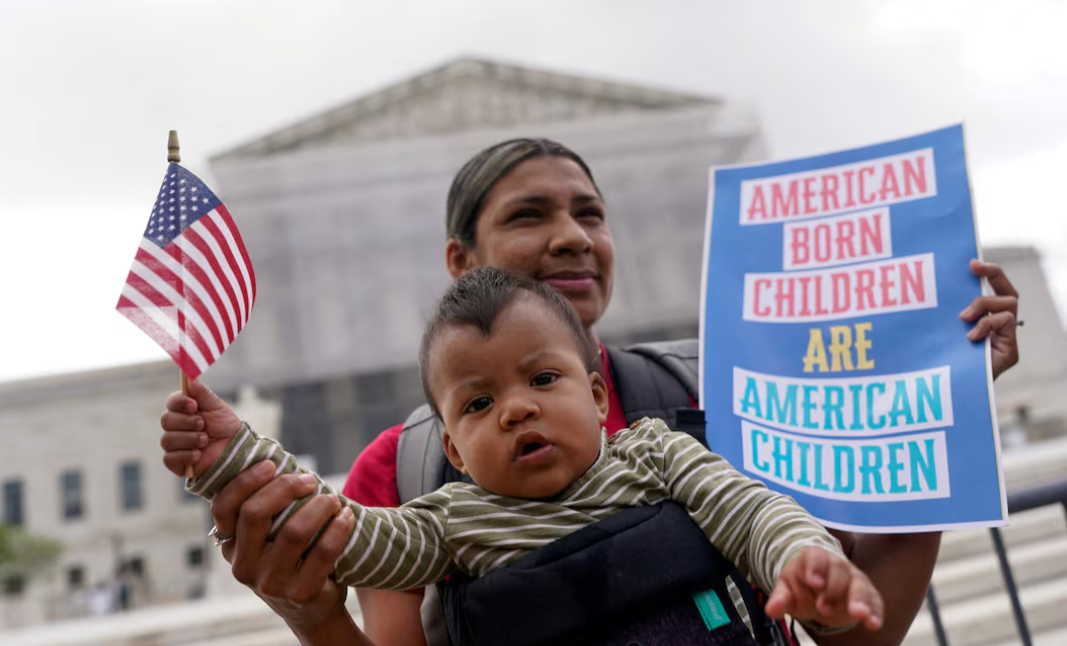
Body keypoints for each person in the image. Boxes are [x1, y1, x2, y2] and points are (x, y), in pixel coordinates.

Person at [182, 138, 1020, 646]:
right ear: (459, 264)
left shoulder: (710, 398)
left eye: (591, 212)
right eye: (528, 215)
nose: (572, 236)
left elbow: (848, 626)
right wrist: (305, 601)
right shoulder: (410, 481)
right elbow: (338, 530)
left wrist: (941, 401)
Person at [163, 267, 884, 642]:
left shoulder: (657, 454)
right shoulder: (447, 520)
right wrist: (233, 454)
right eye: (477, 404)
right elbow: (344, 533)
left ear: (598, 398)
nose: (514, 408)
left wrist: (802, 560)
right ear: (453, 448)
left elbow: (750, 511)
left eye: (543, 379)